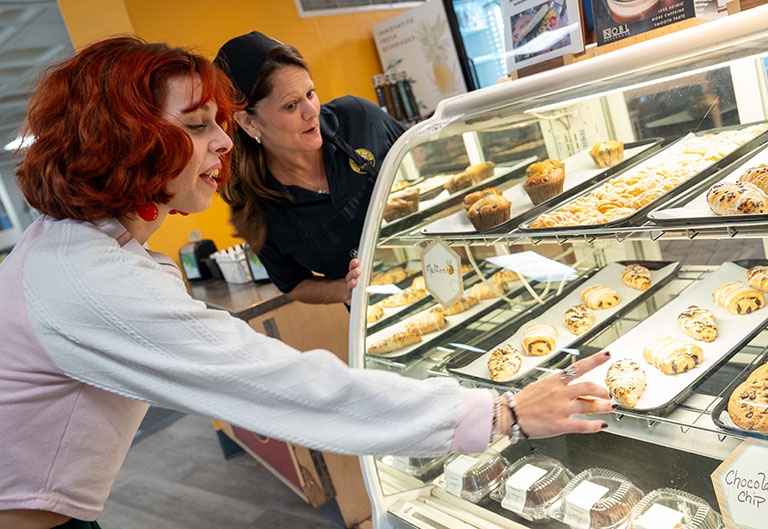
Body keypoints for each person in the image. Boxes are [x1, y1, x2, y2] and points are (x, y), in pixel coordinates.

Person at [0, 36, 614, 529]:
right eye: (196, 126)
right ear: (125, 143)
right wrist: (504, 412)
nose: (222, 142)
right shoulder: (88, 280)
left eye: (220, 121)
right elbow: (281, 386)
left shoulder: (78, 251)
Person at [213, 31, 405, 305]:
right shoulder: (255, 206)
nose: (311, 111)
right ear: (249, 122)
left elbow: (424, 157)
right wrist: (345, 289)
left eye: (310, 93)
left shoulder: (358, 118)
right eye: (291, 105)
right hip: (381, 318)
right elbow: (293, 284)